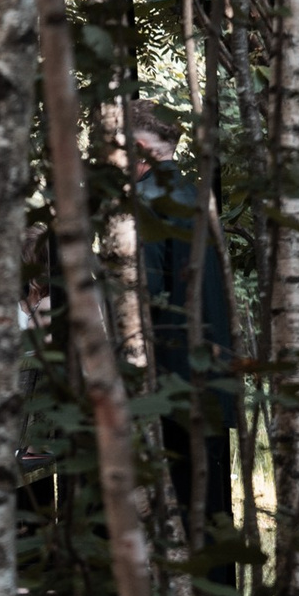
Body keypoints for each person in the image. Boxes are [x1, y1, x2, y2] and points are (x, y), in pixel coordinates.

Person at [132, 103, 234, 537]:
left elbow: (145, 297)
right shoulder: (197, 197)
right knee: (211, 514)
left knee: (173, 518)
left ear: (137, 148)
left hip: (167, 384)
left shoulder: (144, 201)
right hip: (212, 377)